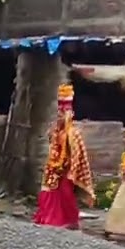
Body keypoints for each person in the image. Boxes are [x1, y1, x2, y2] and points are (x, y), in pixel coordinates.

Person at [34, 83, 94, 229]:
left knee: (66, 195)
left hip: (66, 169)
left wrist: (68, 167)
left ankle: (70, 221)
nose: (60, 116)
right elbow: (52, 145)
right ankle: (49, 218)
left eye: (63, 113)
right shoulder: (55, 130)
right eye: (59, 113)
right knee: (49, 193)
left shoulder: (73, 133)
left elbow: (76, 153)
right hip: (53, 168)